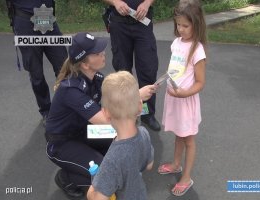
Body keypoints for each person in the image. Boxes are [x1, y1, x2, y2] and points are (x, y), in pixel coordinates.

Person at [45, 32, 157, 199]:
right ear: (84, 64)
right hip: (62, 143)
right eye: (97, 53)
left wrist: (135, 103)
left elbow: (113, 105)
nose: (103, 54)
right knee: (100, 172)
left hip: (86, 132)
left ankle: (90, 167)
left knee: (119, 144)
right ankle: (66, 178)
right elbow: (106, 120)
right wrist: (136, 96)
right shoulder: (71, 89)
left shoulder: (96, 78)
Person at [157, 0, 207, 196]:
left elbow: (200, 82)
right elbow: (175, 69)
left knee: (188, 139)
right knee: (179, 133)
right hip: (174, 98)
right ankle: (176, 164)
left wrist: (184, 93)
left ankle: (186, 177)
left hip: (186, 101)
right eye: (178, 24)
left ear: (197, 24)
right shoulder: (176, 43)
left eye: (186, 25)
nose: (181, 29)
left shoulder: (198, 49)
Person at [87, 71, 154, 200]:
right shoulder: (145, 134)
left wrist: (91, 191)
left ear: (106, 113)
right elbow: (149, 165)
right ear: (140, 106)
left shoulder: (112, 159)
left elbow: (97, 198)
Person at [6, 0, 68, 126]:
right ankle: (46, 110)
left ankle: (68, 106)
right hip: (24, 20)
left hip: (46, 16)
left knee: (65, 67)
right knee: (36, 74)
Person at [102, 0, 161, 131]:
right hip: (119, 24)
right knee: (123, 73)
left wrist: (147, 3)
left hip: (143, 24)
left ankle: (146, 114)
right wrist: (115, 2)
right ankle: (127, 115)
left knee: (148, 70)